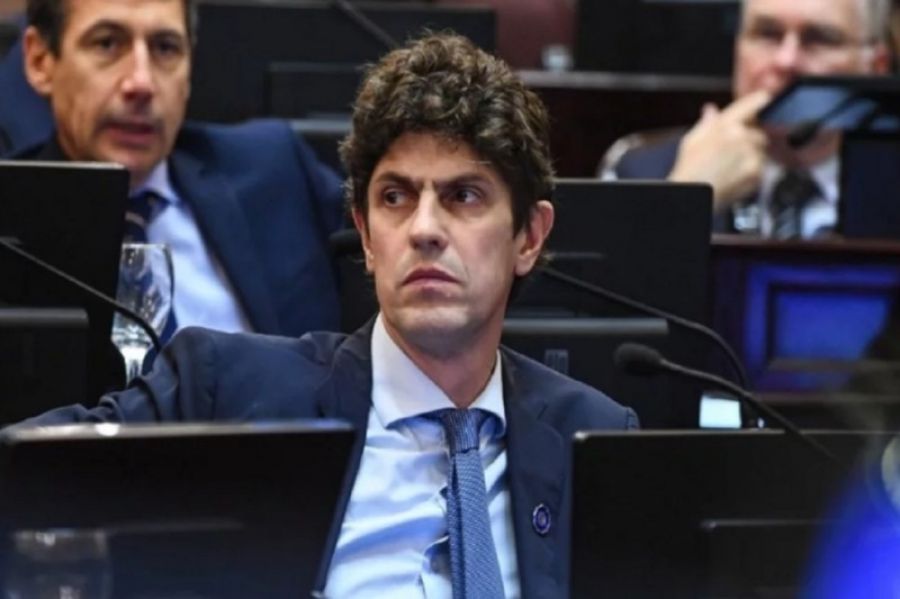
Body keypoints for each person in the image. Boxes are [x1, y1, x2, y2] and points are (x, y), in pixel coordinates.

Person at [14, 32, 638, 597]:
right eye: (395, 197)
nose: (423, 229)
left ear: (529, 236)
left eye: (463, 195)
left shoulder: (595, 439)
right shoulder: (228, 387)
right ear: (365, 235)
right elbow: (22, 478)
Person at [10, 0, 344, 337]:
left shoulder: (276, 168)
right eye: (107, 44)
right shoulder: (12, 217)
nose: (141, 83)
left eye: (165, 48)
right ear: (40, 61)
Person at [610, 0, 891, 238]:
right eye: (767, 34)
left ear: (876, 66)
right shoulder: (637, 171)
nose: (786, 61)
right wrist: (685, 200)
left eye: (819, 39)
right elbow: (610, 285)